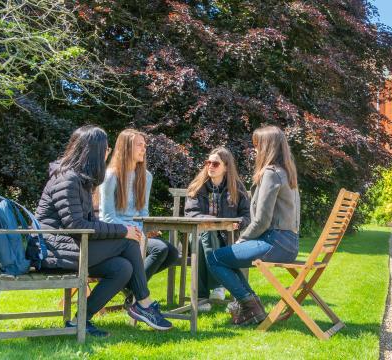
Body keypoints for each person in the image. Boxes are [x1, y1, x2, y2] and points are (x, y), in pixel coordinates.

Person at [34, 125, 172, 337]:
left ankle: (81, 320)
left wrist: (122, 231)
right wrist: (122, 231)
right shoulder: (67, 179)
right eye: (106, 149)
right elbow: (77, 226)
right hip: (52, 250)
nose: (108, 153)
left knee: (122, 268)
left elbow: (87, 224)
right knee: (129, 241)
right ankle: (144, 302)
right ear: (93, 152)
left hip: (70, 246)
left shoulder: (80, 180)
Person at [207, 126, 301, 325]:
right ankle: (251, 306)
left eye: (257, 145)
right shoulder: (286, 172)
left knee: (215, 258)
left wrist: (243, 239)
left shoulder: (271, 173)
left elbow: (261, 220)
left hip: (274, 242)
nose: (255, 150)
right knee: (227, 258)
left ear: (268, 147)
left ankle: (251, 307)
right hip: (289, 244)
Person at [98, 129, 179, 308]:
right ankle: (138, 295)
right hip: (117, 234)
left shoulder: (146, 176)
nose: (144, 149)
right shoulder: (111, 176)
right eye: (139, 145)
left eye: (145, 145)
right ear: (126, 148)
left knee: (172, 253)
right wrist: (132, 230)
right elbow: (107, 216)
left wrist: (147, 228)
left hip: (137, 232)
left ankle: (130, 290)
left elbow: (143, 212)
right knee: (160, 249)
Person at [184, 147, 251, 312]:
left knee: (203, 239)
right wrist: (211, 222)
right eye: (208, 162)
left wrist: (239, 223)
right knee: (203, 235)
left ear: (226, 167)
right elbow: (191, 214)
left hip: (228, 239)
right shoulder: (198, 186)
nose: (210, 166)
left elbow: (247, 215)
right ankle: (219, 284)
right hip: (198, 234)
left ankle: (201, 297)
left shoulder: (237, 187)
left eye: (215, 163)